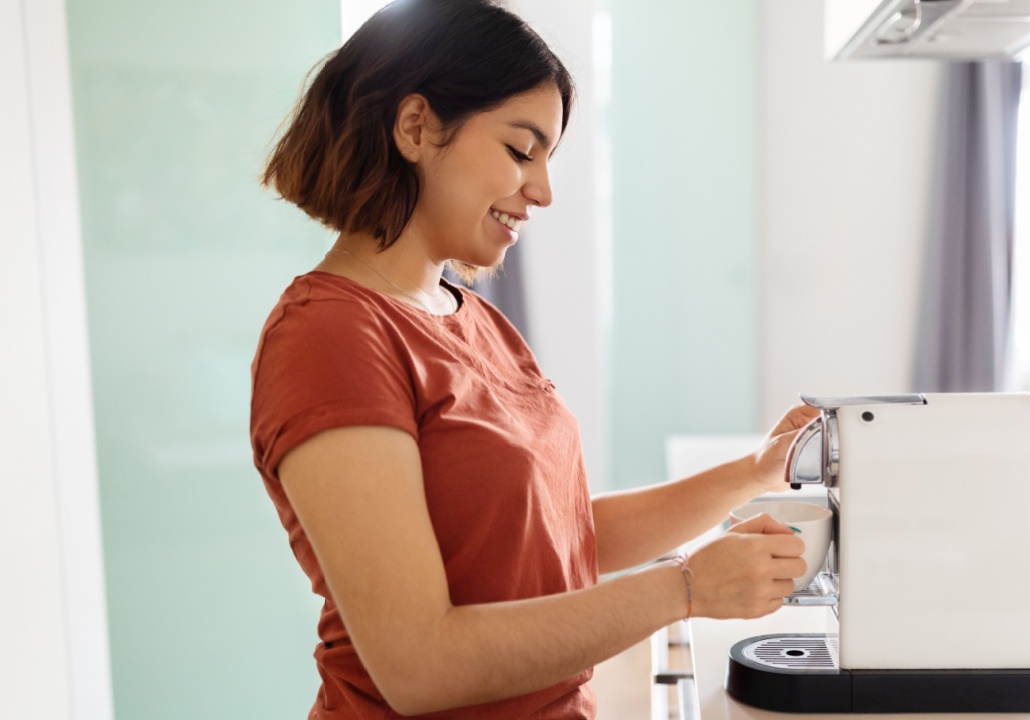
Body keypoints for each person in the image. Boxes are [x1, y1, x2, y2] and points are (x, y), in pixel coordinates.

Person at [250, 1, 817, 717]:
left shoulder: (475, 319)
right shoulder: (332, 336)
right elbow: (419, 664)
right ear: (416, 127)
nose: (544, 192)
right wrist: (686, 589)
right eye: (522, 151)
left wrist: (755, 472)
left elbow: (560, 539)